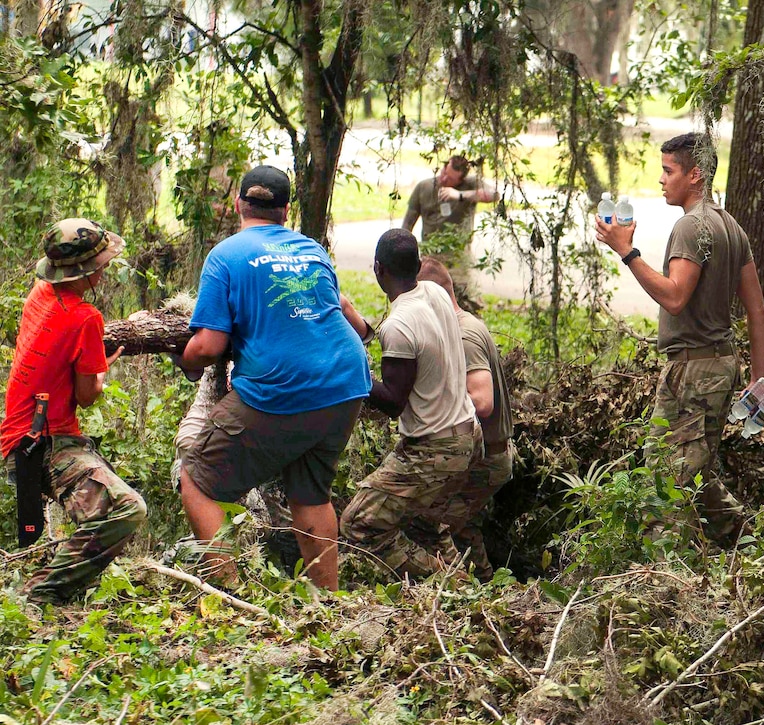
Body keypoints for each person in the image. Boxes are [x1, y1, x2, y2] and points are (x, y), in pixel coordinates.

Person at [178, 165, 371, 591]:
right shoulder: (313, 250)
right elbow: (343, 311)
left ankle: (228, 595)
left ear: (238, 205)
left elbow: (209, 345)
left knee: (196, 479)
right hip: (346, 380)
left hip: (283, 385)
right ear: (286, 211)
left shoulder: (226, 254)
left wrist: (185, 358)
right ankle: (329, 603)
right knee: (310, 494)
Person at [594, 132, 764, 544]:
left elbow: (674, 297)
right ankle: (751, 542)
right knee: (697, 472)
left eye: (668, 171)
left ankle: (672, 577)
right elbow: (757, 311)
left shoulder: (691, 227)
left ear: (695, 175)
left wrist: (627, 252)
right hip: (721, 366)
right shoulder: (730, 225)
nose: (661, 179)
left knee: (665, 478)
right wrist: (758, 380)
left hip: (693, 371)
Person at [1, 218, 147, 604]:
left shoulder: (41, 292)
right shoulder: (85, 317)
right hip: (44, 443)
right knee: (127, 510)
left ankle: (62, 586)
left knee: (99, 512)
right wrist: (99, 369)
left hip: (21, 437)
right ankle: (36, 596)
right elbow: (87, 396)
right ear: (92, 270)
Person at [340, 229, 482, 578]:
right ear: (418, 266)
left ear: (378, 269)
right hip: (467, 435)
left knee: (359, 524)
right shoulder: (434, 291)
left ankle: (451, 586)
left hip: (434, 450)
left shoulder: (399, 325)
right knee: (423, 525)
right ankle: (475, 591)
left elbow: (392, 403)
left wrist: (348, 371)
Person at [415, 257, 513, 580]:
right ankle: (491, 586)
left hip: (487, 460)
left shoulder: (463, 335)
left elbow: (482, 402)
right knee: (464, 524)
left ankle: (473, 586)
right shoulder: (459, 326)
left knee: (434, 519)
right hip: (485, 454)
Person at [401, 155, 497, 294]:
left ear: (460, 180)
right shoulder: (424, 187)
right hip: (431, 257)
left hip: (458, 259)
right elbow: (408, 223)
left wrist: (460, 195)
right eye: (444, 172)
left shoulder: (469, 185)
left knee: (463, 300)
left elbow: (494, 195)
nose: (444, 179)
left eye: (450, 179)